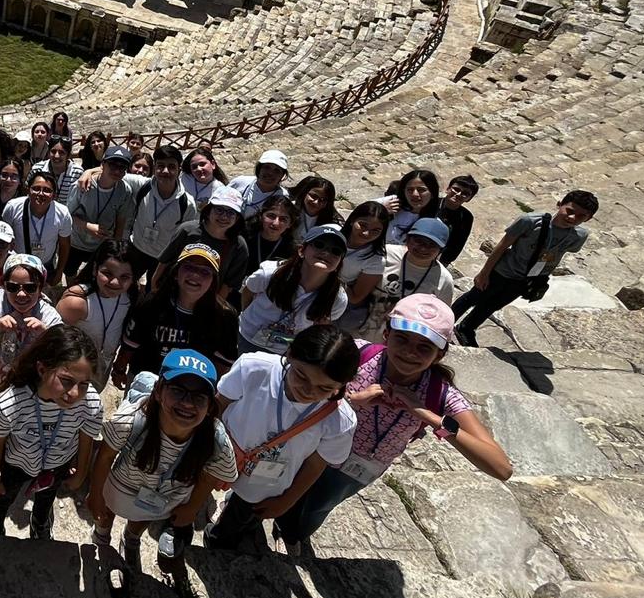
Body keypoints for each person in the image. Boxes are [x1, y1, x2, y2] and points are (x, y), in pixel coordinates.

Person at [270, 296, 511, 556]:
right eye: (402, 339)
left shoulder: (441, 395)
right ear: (386, 334)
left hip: (356, 469)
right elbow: (303, 385)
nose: (409, 353)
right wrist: (351, 401)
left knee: (317, 508)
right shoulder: (356, 356)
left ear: (439, 354)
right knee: (286, 492)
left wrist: (430, 417)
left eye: (424, 347)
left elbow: (500, 467)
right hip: (315, 449)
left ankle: (293, 535)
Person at [204, 325, 359, 550]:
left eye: (324, 388)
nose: (308, 390)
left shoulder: (340, 421)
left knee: (242, 516)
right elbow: (220, 403)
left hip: (267, 480)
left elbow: (316, 464)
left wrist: (287, 501)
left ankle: (218, 539)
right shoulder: (254, 368)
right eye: (301, 375)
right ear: (289, 355)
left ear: (343, 385)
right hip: (223, 453)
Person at [88, 349, 238, 572]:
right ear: (158, 391)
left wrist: (192, 508)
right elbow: (106, 455)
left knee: (143, 517)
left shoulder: (216, 440)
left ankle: (131, 539)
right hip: (120, 489)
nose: (188, 403)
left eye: (199, 396)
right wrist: (96, 493)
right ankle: (102, 535)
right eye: (178, 390)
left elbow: (212, 476)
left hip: (164, 499)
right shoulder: (129, 420)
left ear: (209, 406)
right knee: (106, 512)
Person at [0, 324, 104, 541]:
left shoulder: (90, 402)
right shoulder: (12, 403)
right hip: (16, 464)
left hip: (57, 464)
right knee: (0, 500)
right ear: (42, 369)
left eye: (84, 384)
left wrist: (82, 472)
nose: (74, 393)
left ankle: (40, 524)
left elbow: (86, 437)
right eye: (66, 380)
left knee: (46, 498)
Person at [453, 191, 599, 346]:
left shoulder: (579, 236)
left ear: (588, 218)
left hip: (528, 278)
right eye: (569, 211)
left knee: (493, 305)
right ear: (560, 204)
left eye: (581, 216)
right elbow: (503, 245)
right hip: (503, 271)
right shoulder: (530, 221)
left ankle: (467, 328)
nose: (572, 218)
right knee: (473, 298)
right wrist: (484, 273)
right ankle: (446, 322)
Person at [115, 242, 239, 384]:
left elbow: (223, 364)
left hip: (190, 388)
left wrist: (206, 393)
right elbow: (131, 343)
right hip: (147, 379)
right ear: (175, 272)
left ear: (213, 281)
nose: (195, 275)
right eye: (189, 267)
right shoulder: (152, 302)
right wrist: (119, 369)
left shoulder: (225, 316)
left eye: (205, 271)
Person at [238, 225, 349, 354]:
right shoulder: (270, 273)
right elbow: (248, 291)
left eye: (335, 251)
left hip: (289, 350)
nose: (326, 253)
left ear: (339, 263)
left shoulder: (338, 298)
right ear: (301, 250)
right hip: (250, 337)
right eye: (319, 245)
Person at [0, 253, 63, 384]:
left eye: (30, 287)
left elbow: (63, 356)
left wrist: (45, 334)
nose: (21, 294)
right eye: (13, 287)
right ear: (4, 286)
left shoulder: (48, 314)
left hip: (30, 387)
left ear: (40, 288)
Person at [356, 217, 454, 342]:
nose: (423, 248)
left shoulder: (444, 280)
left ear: (441, 249)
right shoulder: (384, 254)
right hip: (357, 330)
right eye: (419, 241)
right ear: (407, 239)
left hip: (397, 343)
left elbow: (439, 320)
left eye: (432, 245)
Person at [57, 241, 136, 387]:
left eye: (124, 277)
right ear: (95, 269)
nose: (115, 282)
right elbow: (53, 343)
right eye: (107, 273)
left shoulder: (129, 298)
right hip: (71, 373)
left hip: (101, 369)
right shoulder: (77, 303)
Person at [152, 187, 250, 303]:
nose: (224, 217)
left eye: (230, 213)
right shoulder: (187, 230)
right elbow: (165, 260)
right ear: (208, 210)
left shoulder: (239, 246)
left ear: (237, 218)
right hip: (174, 292)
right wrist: (154, 283)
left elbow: (228, 284)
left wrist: (214, 306)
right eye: (219, 210)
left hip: (206, 300)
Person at [65, 143, 137, 282]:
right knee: (70, 271)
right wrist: (88, 226)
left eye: (122, 167)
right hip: (77, 241)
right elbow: (67, 216)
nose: (117, 171)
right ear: (103, 164)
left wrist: (115, 246)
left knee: (96, 274)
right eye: (113, 165)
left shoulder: (125, 190)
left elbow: (121, 220)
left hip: (102, 244)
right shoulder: (82, 185)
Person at [125, 145, 197, 280]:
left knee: (153, 291)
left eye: (171, 166)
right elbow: (112, 172)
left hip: (162, 257)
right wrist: (89, 173)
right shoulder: (143, 186)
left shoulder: (187, 203)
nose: (165, 171)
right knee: (127, 285)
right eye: (160, 166)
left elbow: (185, 237)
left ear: (179, 170)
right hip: (136, 248)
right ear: (154, 168)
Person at [2, 168, 73, 282]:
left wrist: (59, 271)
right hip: (18, 264)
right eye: (36, 189)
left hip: (46, 265)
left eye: (46, 190)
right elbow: (4, 240)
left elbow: (64, 244)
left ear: (54, 195)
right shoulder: (12, 207)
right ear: (28, 190)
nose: (40, 194)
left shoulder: (63, 213)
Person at [336, 200, 392, 333]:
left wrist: (330, 275)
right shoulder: (333, 234)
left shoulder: (375, 260)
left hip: (339, 303)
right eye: (363, 225)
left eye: (375, 230)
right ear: (351, 220)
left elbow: (356, 297)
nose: (366, 233)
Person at [383, 168, 442, 245]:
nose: (415, 194)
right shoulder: (389, 203)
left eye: (421, 190)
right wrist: (381, 211)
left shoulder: (434, 224)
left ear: (432, 193)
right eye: (410, 190)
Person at [244, 193, 300, 272]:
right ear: (261, 216)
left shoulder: (291, 250)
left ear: (290, 224)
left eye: (283, 219)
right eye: (271, 216)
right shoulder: (245, 238)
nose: (275, 223)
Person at [229, 149, 290, 220]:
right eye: (267, 167)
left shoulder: (282, 196)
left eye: (277, 170)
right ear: (259, 169)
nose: (270, 173)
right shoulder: (240, 183)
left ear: (282, 175)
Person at [437, 174, 479, 267]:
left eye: (465, 193)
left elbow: (458, 243)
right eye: (456, 189)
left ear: (469, 198)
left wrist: (444, 262)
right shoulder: (432, 203)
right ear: (448, 189)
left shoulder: (466, 217)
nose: (459, 194)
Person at [289, 176, 342, 246]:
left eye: (322, 200)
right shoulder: (290, 208)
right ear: (305, 193)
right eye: (313, 196)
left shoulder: (333, 222)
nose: (316, 202)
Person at [41, 136, 83, 205]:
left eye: (61, 153)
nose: (56, 156)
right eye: (53, 151)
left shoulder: (77, 173)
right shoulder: (37, 169)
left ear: (68, 155)